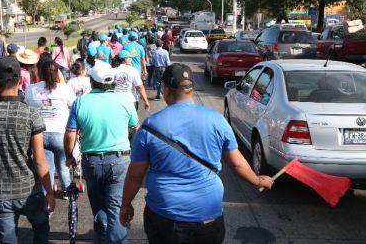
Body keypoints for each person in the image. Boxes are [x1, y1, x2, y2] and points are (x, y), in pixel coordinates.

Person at [120, 63, 274, 244]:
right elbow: (237, 163)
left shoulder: (149, 127)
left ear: (166, 90)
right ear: (191, 89)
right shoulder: (217, 120)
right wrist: (258, 180)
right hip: (208, 217)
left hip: (165, 216)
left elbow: (134, 176)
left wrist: (125, 205)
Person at [0, 57, 55, 243]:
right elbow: (40, 159)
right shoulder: (31, 114)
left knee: (7, 238)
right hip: (30, 190)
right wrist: (49, 192)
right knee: (41, 229)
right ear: (20, 81)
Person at [64, 63, 139, 244]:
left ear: (92, 82)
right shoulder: (125, 100)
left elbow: (70, 134)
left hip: (92, 161)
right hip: (120, 160)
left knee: (97, 203)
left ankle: (104, 234)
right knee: (116, 207)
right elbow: (136, 128)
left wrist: (69, 156)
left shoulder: (81, 101)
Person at [25, 61, 76, 200]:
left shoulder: (31, 89)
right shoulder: (65, 89)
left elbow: (27, 106)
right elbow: (74, 107)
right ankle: (67, 192)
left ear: (40, 73)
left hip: (39, 135)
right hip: (61, 133)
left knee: (45, 168)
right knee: (63, 166)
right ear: (57, 72)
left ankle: (46, 196)